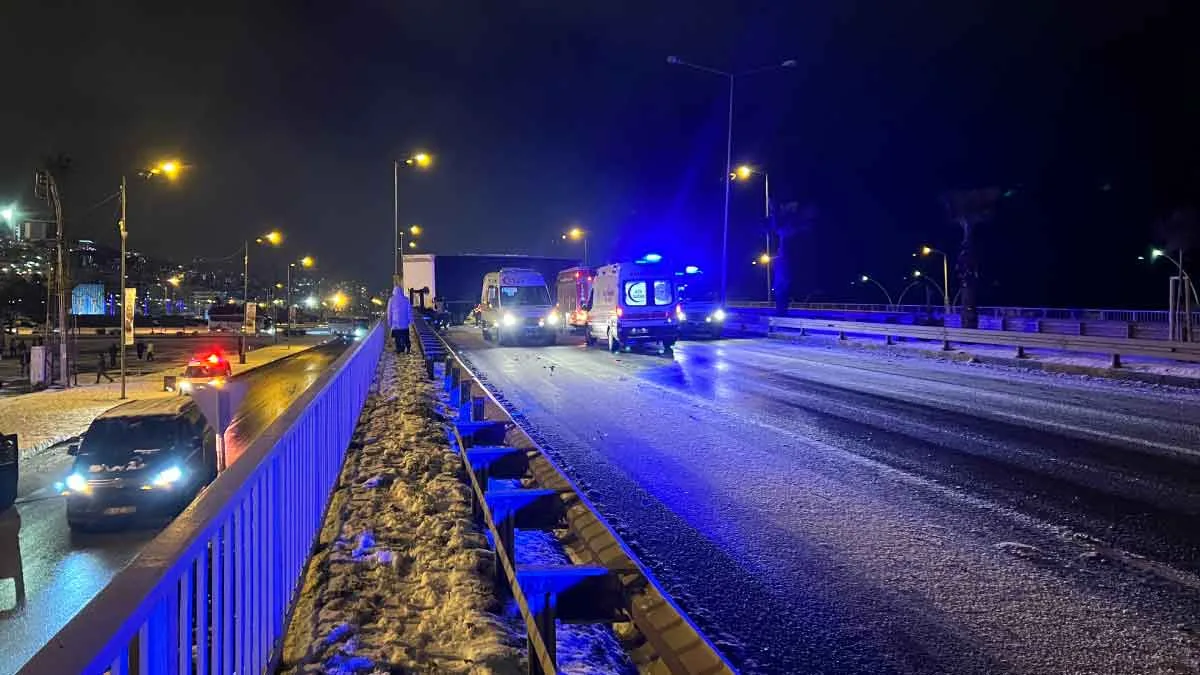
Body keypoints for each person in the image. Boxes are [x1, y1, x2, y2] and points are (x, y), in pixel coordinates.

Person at [386, 285, 412, 354]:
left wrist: (389, 321)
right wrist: (410, 320)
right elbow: (409, 310)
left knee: (397, 338)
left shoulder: (391, 299)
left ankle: (399, 349)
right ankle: (408, 347)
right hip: (405, 324)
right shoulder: (406, 299)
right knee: (406, 336)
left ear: (394, 291)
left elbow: (389, 312)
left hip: (396, 323)